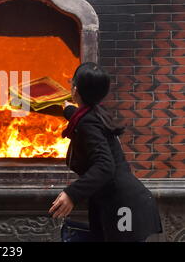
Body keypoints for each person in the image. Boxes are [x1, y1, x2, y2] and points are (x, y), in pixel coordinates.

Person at [48, 62, 163, 242]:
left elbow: (105, 165)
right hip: (126, 203)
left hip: (123, 207)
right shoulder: (95, 113)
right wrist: (68, 109)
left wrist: (72, 194)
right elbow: (82, 118)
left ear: (75, 90)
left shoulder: (88, 122)